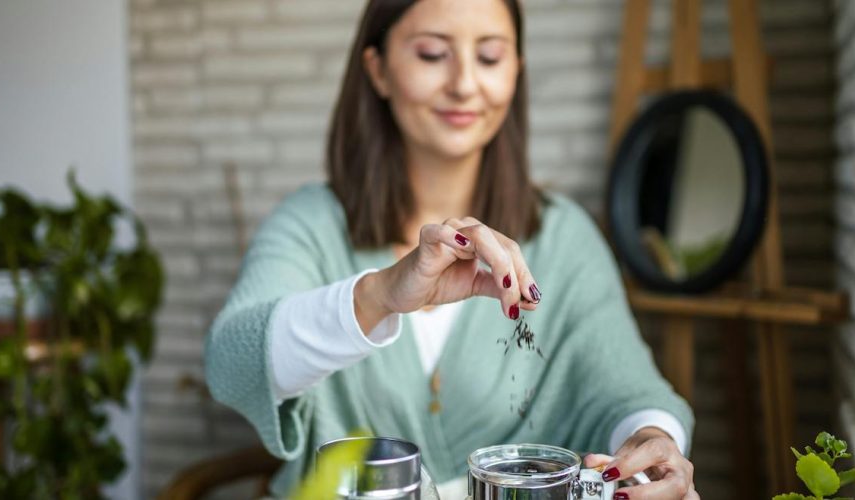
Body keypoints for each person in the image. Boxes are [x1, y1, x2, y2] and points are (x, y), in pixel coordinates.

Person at [204, 1, 697, 498]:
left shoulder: (564, 235)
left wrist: (653, 447)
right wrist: (378, 296)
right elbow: (231, 365)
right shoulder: (310, 224)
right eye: (433, 53)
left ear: (516, 73)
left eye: (488, 58)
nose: (464, 83)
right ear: (377, 70)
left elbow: (629, 389)